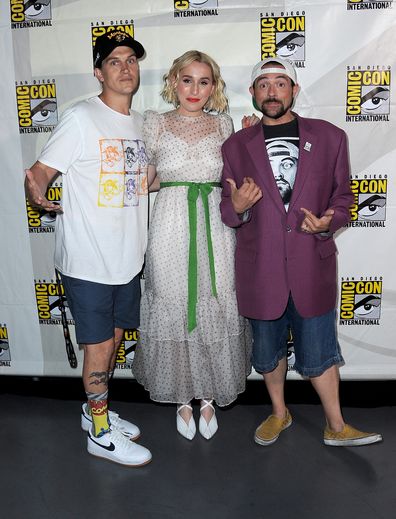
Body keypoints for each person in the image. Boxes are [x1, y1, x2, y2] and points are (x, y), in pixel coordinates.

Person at [220, 57, 382, 447]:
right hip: (261, 271)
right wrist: (239, 205)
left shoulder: (330, 137)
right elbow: (228, 211)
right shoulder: (236, 144)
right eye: (263, 84)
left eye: (280, 83)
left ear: (293, 90)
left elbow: (344, 197)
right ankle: (280, 413)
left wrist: (329, 221)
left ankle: (336, 425)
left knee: (321, 352)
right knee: (268, 351)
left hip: (312, 265)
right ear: (253, 93)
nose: (272, 91)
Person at [24, 30, 152, 466]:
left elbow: (141, 181)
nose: (125, 67)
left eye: (131, 60)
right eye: (114, 61)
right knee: (98, 347)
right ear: (98, 72)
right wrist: (38, 192)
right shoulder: (81, 117)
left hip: (127, 259)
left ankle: (92, 409)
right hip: (89, 259)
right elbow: (39, 171)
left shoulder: (139, 123)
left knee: (114, 339)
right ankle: (99, 432)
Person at [132, 50, 251, 440]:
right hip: (168, 225)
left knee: (212, 302)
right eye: (187, 80)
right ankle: (183, 396)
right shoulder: (154, 123)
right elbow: (146, 181)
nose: (194, 89)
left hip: (214, 227)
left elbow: (236, 181)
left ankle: (208, 397)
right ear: (173, 81)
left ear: (213, 87)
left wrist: (250, 140)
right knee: (173, 301)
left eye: (204, 81)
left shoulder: (224, 126)